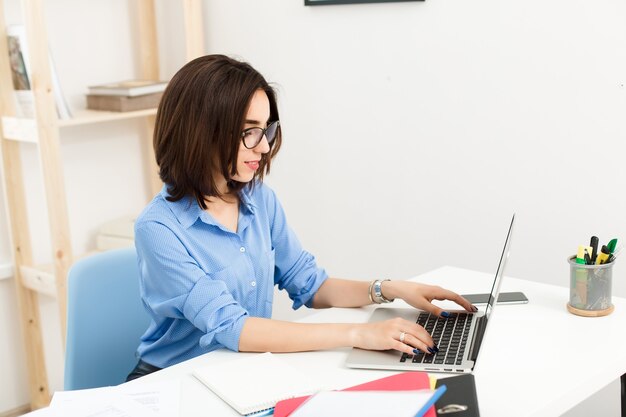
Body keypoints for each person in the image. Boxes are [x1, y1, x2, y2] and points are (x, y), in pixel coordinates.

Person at [127, 54, 476, 381]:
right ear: (202, 132)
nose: (264, 146)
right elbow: (233, 327)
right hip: (172, 382)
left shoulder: (258, 199)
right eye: (249, 131)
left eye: (266, 129)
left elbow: (308, 282)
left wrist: (387, 289)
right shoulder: (158, 229)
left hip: (238, 371)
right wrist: (359, 333)